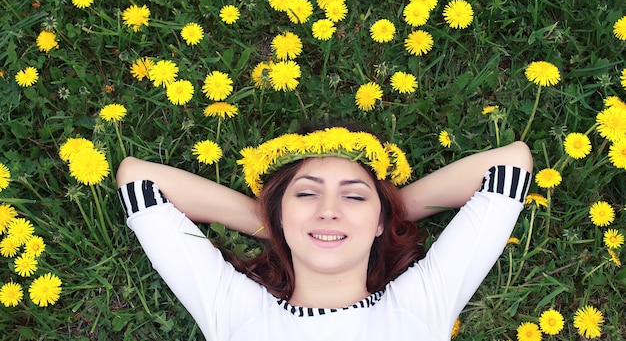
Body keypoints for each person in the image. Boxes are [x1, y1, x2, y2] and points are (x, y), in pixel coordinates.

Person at [115, 123, 533, 341]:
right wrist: (277, 225)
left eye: (353, 198)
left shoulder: (423, 301)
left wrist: (385, 212)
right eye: (306, 196)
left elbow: (511, 165)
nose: (329, 212)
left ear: (380, 221)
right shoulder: (233, 308)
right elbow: (138, 180)